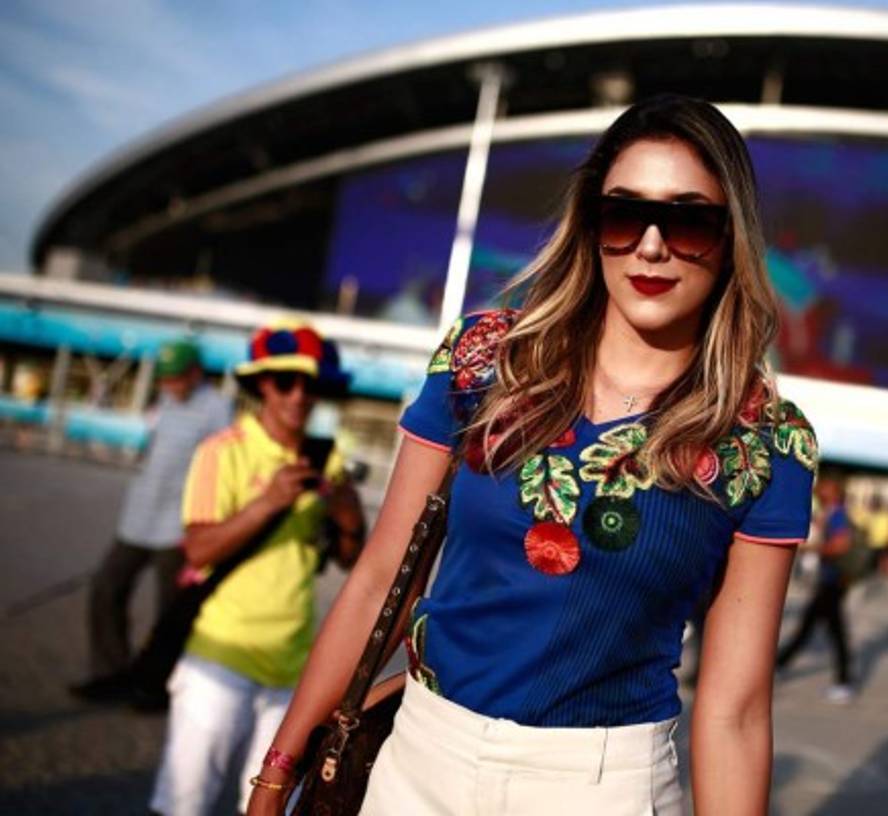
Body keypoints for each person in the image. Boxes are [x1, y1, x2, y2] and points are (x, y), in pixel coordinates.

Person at [247, 95, 817, 815]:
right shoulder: (482, 358)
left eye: (687, 221)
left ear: (731, 236)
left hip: (604, 788)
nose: (650, 245)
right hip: (417, 763)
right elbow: (381, 575)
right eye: (623, 213)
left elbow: (734, 711)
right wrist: (280, 765)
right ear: (590, 223)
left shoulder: (766, 440)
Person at [149, 320, 366, 816]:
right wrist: (266, 504)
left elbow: (352, 562)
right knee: (185, 804)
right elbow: (198, 549)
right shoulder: (221, 451)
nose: (298, 395)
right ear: (262, 384)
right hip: (218, 659)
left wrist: (350, 521)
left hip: (294, 670)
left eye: (311, 385)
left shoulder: (327, 462)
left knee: (275, 808)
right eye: (284, 381)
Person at [69, 338, 231, 703]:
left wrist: (203, 528)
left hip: (177, 527)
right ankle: (111, 671)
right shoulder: (165, 404)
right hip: (138, 519)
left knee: (169, 610)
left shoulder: (217, 408)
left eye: (175, 377)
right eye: (165, 378)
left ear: (195, 373)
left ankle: (156, 685)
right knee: (106, 588)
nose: (168, 384)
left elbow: (221, 470)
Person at [775, 473, 856, 703]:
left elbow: (842, 545)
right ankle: (781, 664)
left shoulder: (838, 513)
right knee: (814, 627)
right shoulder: (830, 513)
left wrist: (813, 549)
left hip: (834, 582)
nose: (819, 490)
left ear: (835, 490)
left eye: (824, 487)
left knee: (831, 632)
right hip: (830, 581)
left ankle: (844, 682)